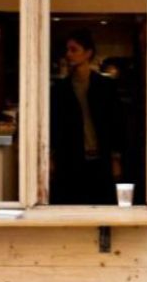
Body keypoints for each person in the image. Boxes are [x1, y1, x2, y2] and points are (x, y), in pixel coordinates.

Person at [50, 29, 122, 205]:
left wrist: (116, 158)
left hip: (100, 158)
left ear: (88, 53)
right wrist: (51, 156)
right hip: (70, 160)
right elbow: (55, 126)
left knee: (101, 207)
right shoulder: (60, 89)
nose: (68, 54)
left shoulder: (105, 86)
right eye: (67, 50)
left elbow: (116, 124)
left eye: (74, 49)